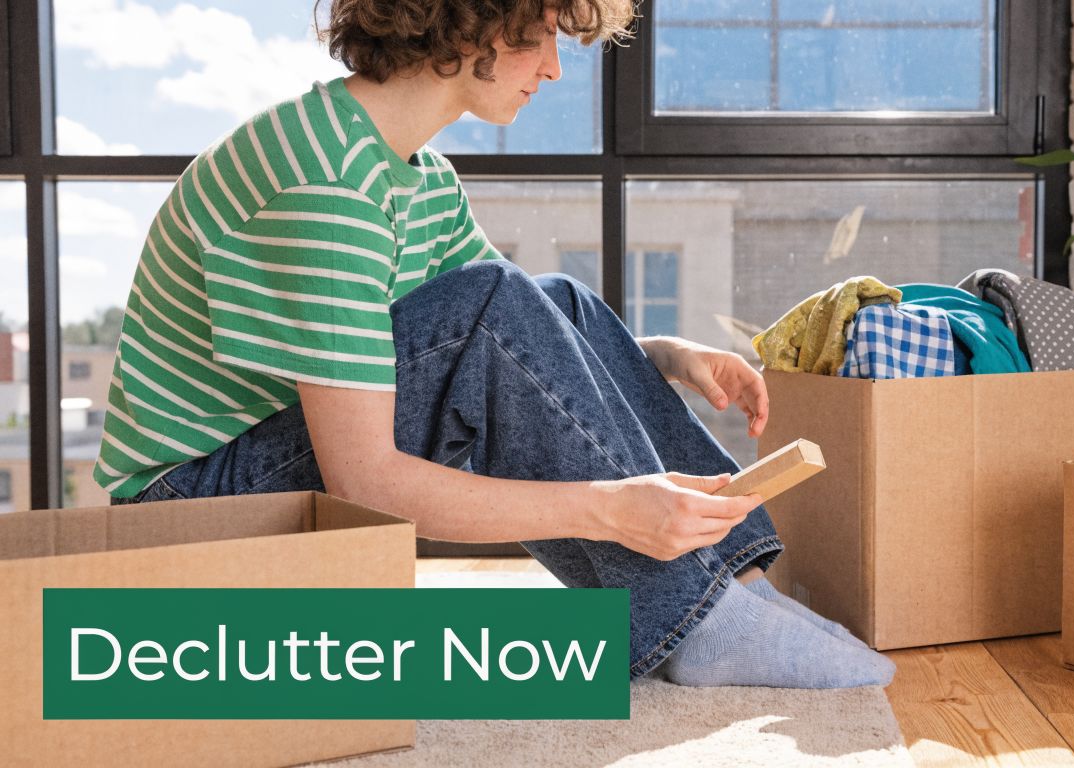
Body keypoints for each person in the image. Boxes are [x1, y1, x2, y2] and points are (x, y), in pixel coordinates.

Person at [96, 0, 895, 689]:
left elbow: (531, 337)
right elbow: (366, 480)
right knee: (495, 304)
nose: (552, 67)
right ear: (471, 17)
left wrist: (662, 355)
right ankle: (699, 620)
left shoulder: (413, 173)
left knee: (558, 300)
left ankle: (735, 584)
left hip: (250, 482)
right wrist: (608, 511)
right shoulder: (324, 186)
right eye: (538, 35)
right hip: (180, 527)